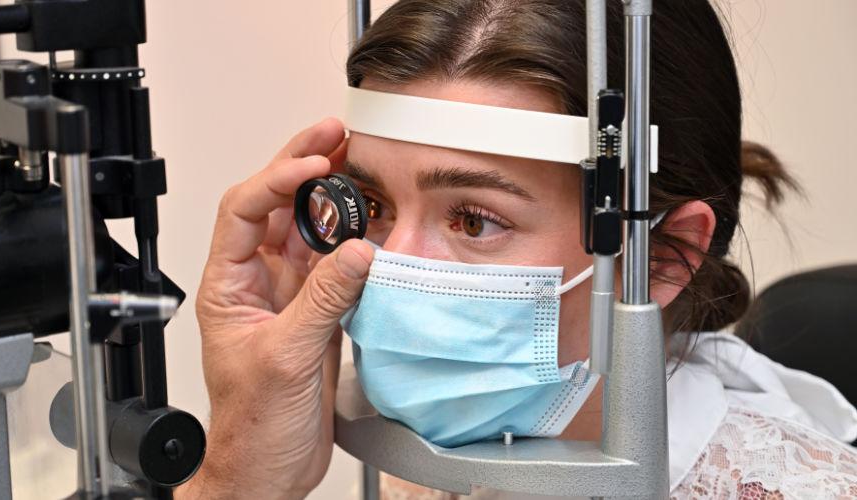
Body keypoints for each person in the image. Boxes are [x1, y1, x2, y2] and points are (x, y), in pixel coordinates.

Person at [178, 1, 857, 498]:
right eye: (375, 207)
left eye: (473, 220)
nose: (386, 268)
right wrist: (237, 475)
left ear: (662, 257)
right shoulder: (437, 462)